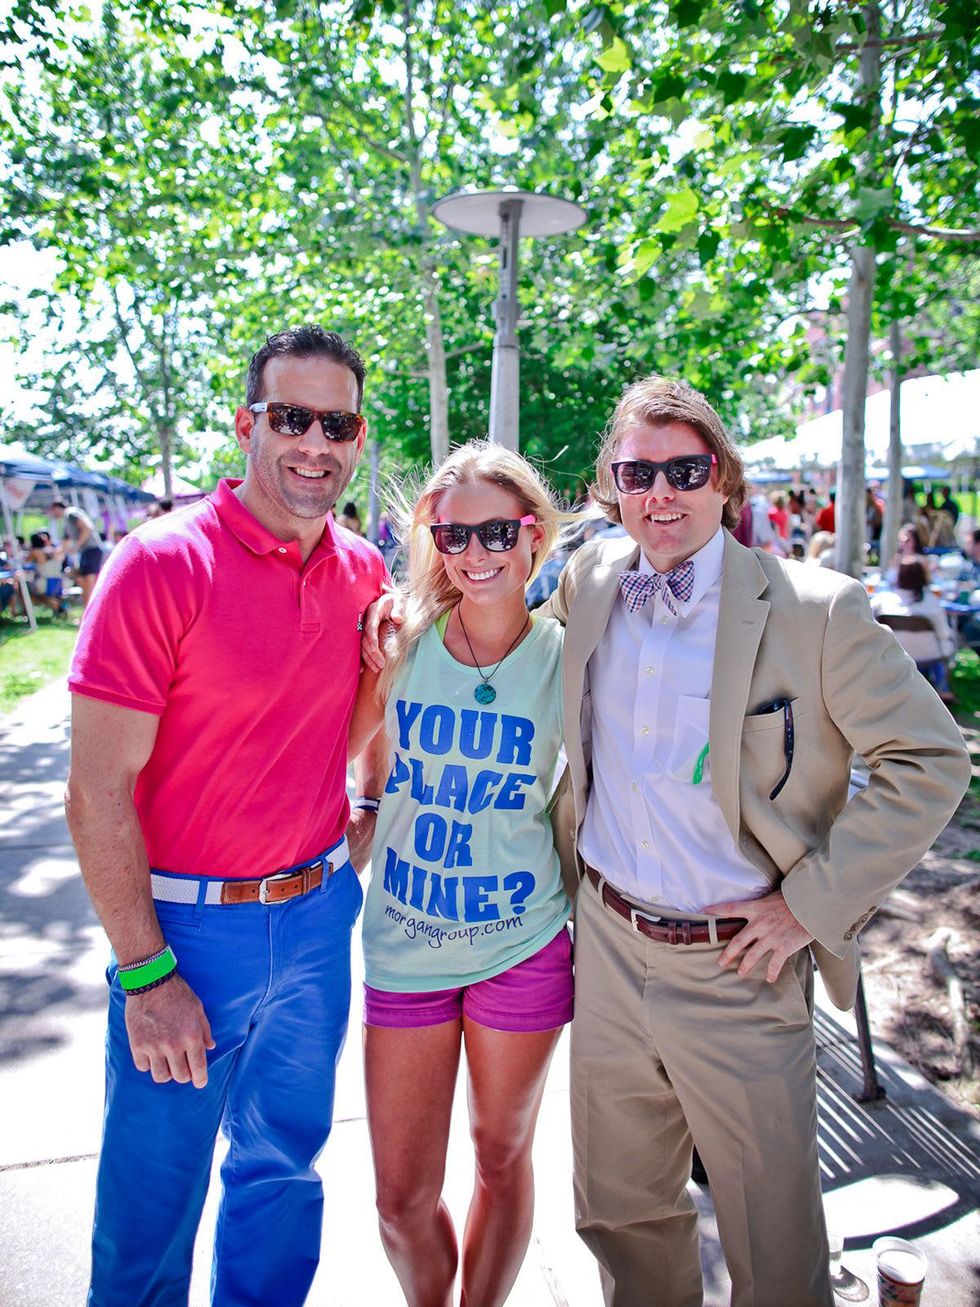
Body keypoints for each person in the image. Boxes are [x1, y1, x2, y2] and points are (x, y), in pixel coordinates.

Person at [538, 376, 969, 1306]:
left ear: (723, 478)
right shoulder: (591, 580)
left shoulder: (817, 610)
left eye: (683, 469)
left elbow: (931, 759)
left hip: (737, 964)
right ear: (612, 484)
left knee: (772, 1242)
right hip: (607, 947)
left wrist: (809, 903)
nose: (660, 492)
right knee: (618, 1213)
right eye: (637, 471)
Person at [64, 324, 387, 1306]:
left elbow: (368, 713)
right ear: (246, 423)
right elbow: (95, 792)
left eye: (335, 422)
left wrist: (362, 806)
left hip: (319, 920)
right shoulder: (161, 563)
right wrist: (146, 968)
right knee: (150, 1209)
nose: (313, 442)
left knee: (280, 1178)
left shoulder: (363, 570)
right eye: (291, 417)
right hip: (185, 935)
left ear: (359, 436)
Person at [349, 441, 574, 1307]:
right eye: (453, 533)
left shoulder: (571, 656)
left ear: (532, 536)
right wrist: (366, 809)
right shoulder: (399, 643)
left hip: (521, 944)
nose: (474, 551)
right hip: (406, 943)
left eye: (494, 530)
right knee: (401, 1200)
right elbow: (356, 756)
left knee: (500, 1153)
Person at [871, 557, 956, 703]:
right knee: (944, 645)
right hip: (928, 654)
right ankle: (941, 688)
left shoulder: (882, 601)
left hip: (893, 652)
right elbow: (944, 634)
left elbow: (869, 622)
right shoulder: (932, 604)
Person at [49, 499, 105, 606]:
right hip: (85, 551)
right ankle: (88, 608)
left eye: (52, 510)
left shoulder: (71, 513)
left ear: (57, 508)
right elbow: (65, 541)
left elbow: (87, 528)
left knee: (89, 582)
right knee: (81, 580)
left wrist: (77, 545)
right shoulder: (66, 520)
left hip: (91, 549)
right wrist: (55, 553)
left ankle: (92, 609)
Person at [25, 531, 70, 615]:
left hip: (44, 583)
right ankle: (57, 607)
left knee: (24, 587)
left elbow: (24, 563)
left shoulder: (35, 552)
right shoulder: (54, 551)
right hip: (59, 583)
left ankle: (27, 613)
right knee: (38, 593)